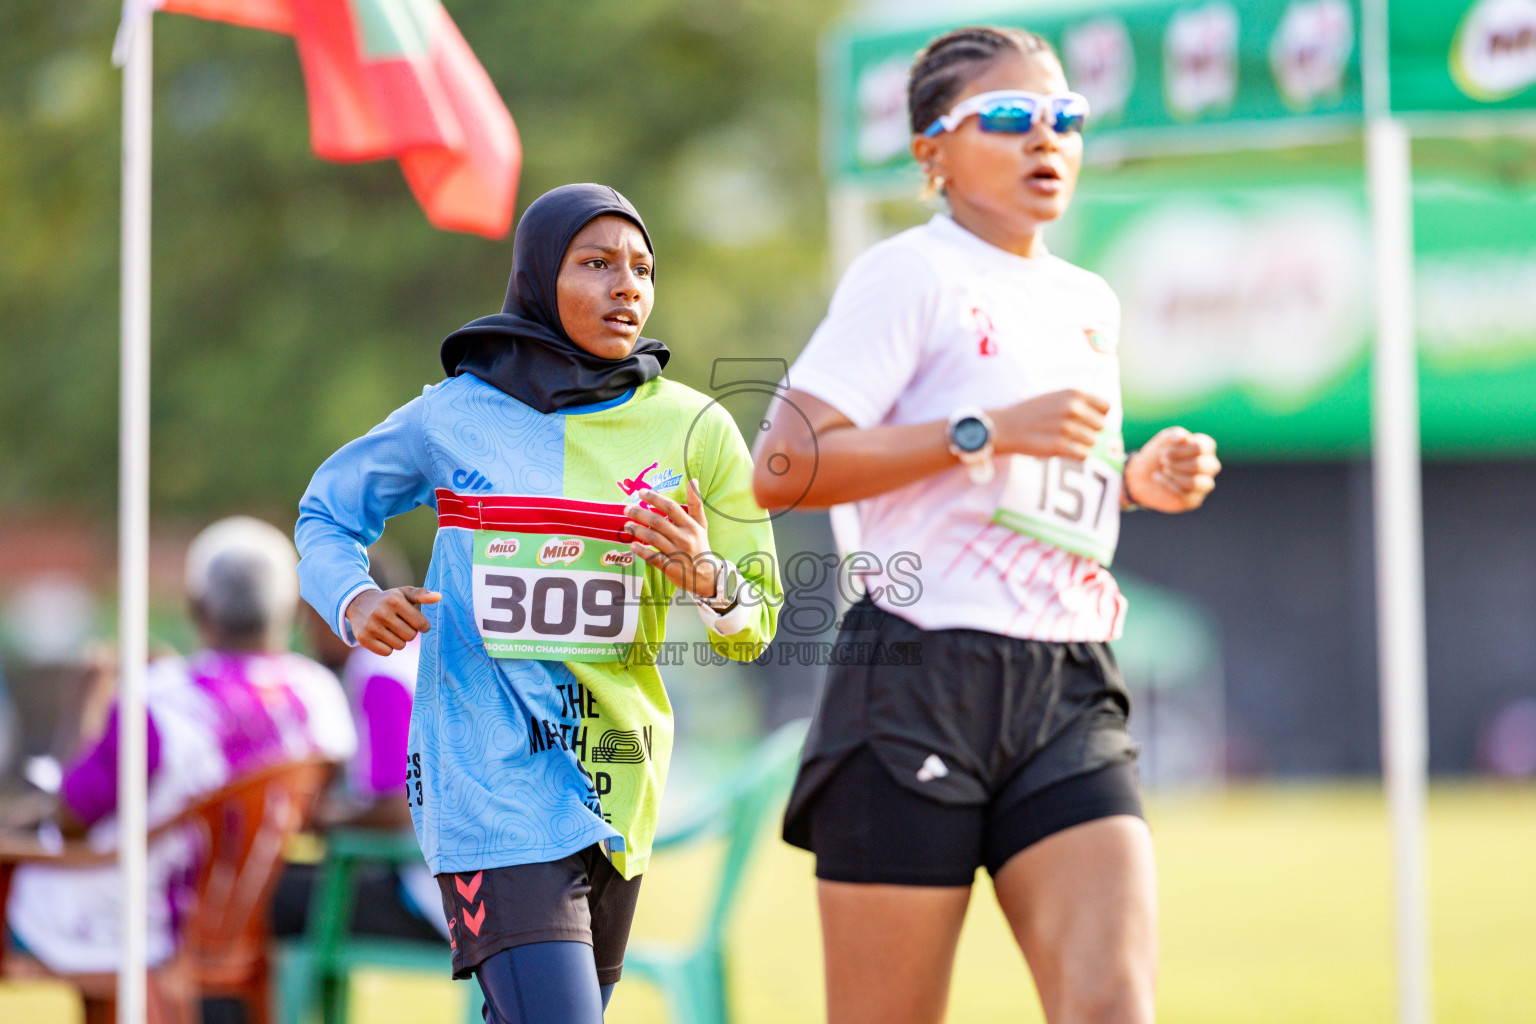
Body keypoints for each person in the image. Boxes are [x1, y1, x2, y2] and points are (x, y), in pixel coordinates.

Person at [753, 27, 1221, 1024]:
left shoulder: (1088, 299)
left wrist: (1134, 481)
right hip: (919, 674)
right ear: (932, 151)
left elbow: (1041, 480)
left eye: (1066, 118)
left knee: (1111, 1008)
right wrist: (983, 429)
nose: (1044, 138)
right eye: (1007, 118)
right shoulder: (909, 274)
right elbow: (781, 467)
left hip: (1069, 681)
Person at [295, 183, 780, 1024]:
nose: (627, 285)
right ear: (536, 278)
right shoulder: (452, 417)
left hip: (615, 780)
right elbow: (326, 513)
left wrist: (708, 578)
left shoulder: (696, 430)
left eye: (641, 269)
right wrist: (354, 599)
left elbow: (758, 621)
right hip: (485, 781)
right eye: (596, 265)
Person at [5, 517, 357, 977]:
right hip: (244, 914)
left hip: (132, 919)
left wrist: (86, 705)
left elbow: (70, 820)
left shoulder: (159, 701)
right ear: (289, 609)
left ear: (198, 608)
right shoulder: (317, 695)